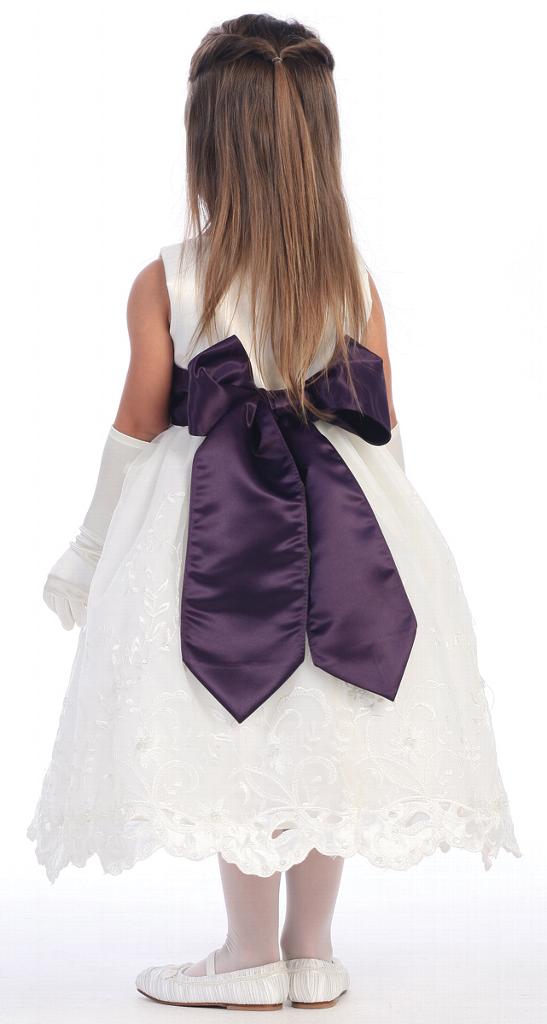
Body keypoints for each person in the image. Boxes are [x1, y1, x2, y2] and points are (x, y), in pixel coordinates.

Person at [26, 12, 521, 1012]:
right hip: (344, 527)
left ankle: (251, 954)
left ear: (206, 140)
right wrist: (397, 549)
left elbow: (136, 427)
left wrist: (87, 549)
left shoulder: (169, 277)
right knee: (328, 727)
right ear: (320, 142)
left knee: (237, 724)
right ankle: (310, 949)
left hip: (215, 536)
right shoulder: (349, 278)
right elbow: (381, 426)